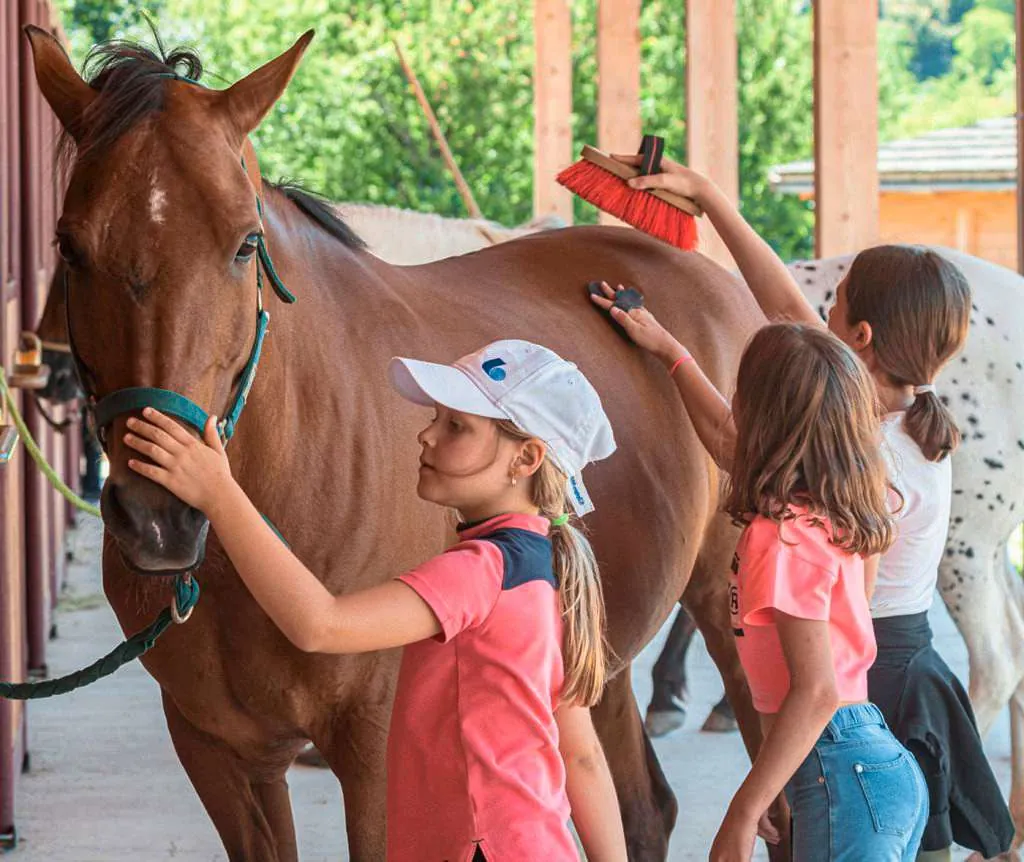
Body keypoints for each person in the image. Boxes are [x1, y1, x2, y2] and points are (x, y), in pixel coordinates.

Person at [619, 154, 1013, 861]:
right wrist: (707, 199)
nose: (818, 310)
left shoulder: (854, 440)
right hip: (901, 660)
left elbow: (725, 437)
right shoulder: (913, 411)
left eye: (833, 303)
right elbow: (783, 308)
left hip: (864, 682)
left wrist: (670, 353)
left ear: (859, 339)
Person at [122, 339, 628, 862]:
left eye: (457, 426)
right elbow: (581, 754)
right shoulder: (546, 563)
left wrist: (219, 494)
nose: (426, 435)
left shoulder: (478, 572)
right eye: (437, 417)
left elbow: (319, 626)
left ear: (526, 457)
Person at [591, 283, 927, 860]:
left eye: (739, 391)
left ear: (759, 417)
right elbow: (729, 442)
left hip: (838, 775)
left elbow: (817, 692)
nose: (731, 402)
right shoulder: (837, 510)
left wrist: (743, 808)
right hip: (862, 763)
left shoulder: (783, 539)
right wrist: (671, 352)